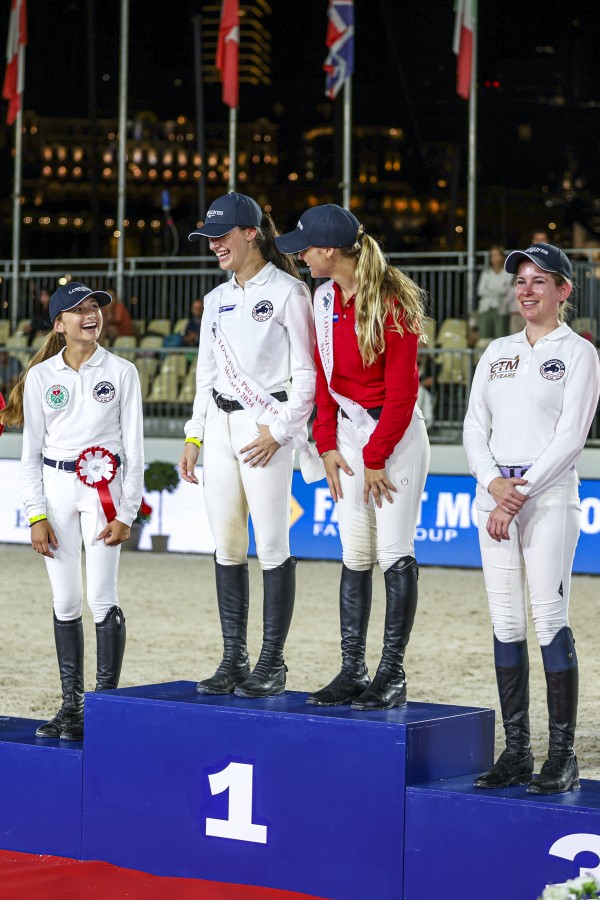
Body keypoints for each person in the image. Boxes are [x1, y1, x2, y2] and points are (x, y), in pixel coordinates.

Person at [275, 204, 430, 711]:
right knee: (355, 554)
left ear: (329, 251)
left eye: (305, 248)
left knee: (394, 553)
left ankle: (392, 673)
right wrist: (325, 444)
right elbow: (323, 380)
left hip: (393, 436)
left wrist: (377, 455)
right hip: (346, 435)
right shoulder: (323, 297)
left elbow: (403, 394)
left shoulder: (393, 302)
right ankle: (353, 669)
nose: (300, 255)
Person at [463, 242, 600, 794]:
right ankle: (517, 752)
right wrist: (492, 484)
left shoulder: (579, 353)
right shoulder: (497, 350)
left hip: (547, 500)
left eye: (539, 281)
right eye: (520, 280)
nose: (526, 289)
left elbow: (571, 438)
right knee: (506, 623)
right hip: (495, 496)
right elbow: (475, 427)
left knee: (548, 619)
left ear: (563, 291)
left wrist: (514, 496)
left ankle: (561, 756)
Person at [179, 192, 316, 699]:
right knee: (228, 545)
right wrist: (194, 434)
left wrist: (279, 433)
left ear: (251, 233)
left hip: (265, 428)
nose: (214, 245)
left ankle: (272, 663)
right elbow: (205, 375)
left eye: (222, 235)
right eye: (209, 238)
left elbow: (307, 374)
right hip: (219, 427)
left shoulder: (289, 292)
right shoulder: (216, 299)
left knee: (273, 545)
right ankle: (234, 659)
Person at [0, 282, 144, 740]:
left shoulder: (123, 371)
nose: (90, 315)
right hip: (57, 489)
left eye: (94, 307)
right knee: (64, 601)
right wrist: (36, 514)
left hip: (104, 490)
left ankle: (106, 708)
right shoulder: (41, 377)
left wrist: (126, 511)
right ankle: (72, 707)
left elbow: (135, 451)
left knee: (102, 597)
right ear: (59, 324)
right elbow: (29, 455)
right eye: (78, 309)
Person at [476, 245, 513, 339]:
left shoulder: (508, 273)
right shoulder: (486, 273)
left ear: (502, 257)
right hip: (485, 308)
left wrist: (489, 290)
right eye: (492, 255)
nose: (494, 258)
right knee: (484, 337)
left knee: (500, 337)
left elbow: (508, 290)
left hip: (501, 308)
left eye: (496, 255)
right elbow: (480, 291)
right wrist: (499, 290)